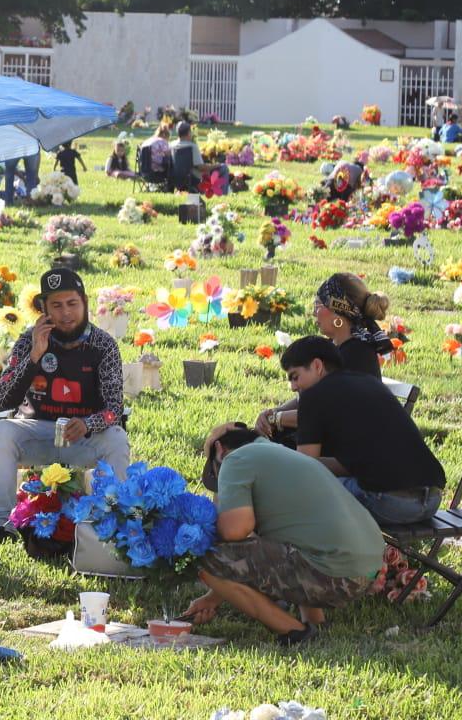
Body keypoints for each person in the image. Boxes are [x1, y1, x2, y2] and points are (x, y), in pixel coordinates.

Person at [183, 422, 384, 646]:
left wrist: (200, 530)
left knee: (204, 556)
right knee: (293, 540)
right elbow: (288, 537)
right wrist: (213, 598)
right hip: (367, 569)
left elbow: (234, 530)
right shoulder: (282, 455)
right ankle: (314, 621)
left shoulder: (235, 459)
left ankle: (294, 631)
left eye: (216, 474)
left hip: (335, 574)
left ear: (220, 450)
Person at [0, 268, 130, 540]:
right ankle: (2, 525)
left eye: (72, 303)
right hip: (36, 431)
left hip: (82, 437)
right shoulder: (29, 340)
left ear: (84, 302)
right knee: (0, 432)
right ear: (44, 309)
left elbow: (114, 408)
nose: (66, 313)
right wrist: (34, 356)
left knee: (117, 438)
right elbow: (4, 398)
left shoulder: (103, 345)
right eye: (57, 306)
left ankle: (114, 522)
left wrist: (88, 424)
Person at [280, 336, 445, 524]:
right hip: (432, 501)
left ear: (317, 366)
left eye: (295, 377)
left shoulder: (313, 396)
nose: (293, 387)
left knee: (303, 493)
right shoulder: (369, 382)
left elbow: (305, 468)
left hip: (388, 503)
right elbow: (355, 464)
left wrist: (277, 457)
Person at [256, 272, 391, 440]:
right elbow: (311, 398)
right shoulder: (335, 347)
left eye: (318, 305)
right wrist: (274, 413)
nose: (314, 313)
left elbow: (325, 413)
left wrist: (277, 418)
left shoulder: (357, 354)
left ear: (338, 311)